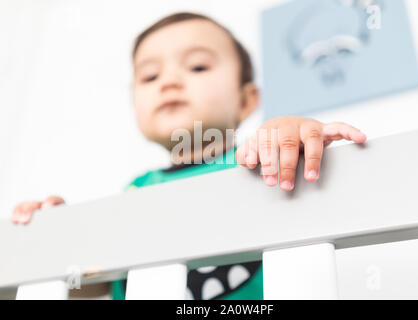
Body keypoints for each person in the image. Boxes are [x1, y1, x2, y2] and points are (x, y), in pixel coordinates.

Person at [11, 12, 367, 300]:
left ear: (246, 100)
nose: (168, 81)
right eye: (149, 76)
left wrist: (292, 133)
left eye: (197, 67)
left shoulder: (263, 161)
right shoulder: (135, 190)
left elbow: (301, 165)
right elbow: (98, 282)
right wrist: (52, 241)